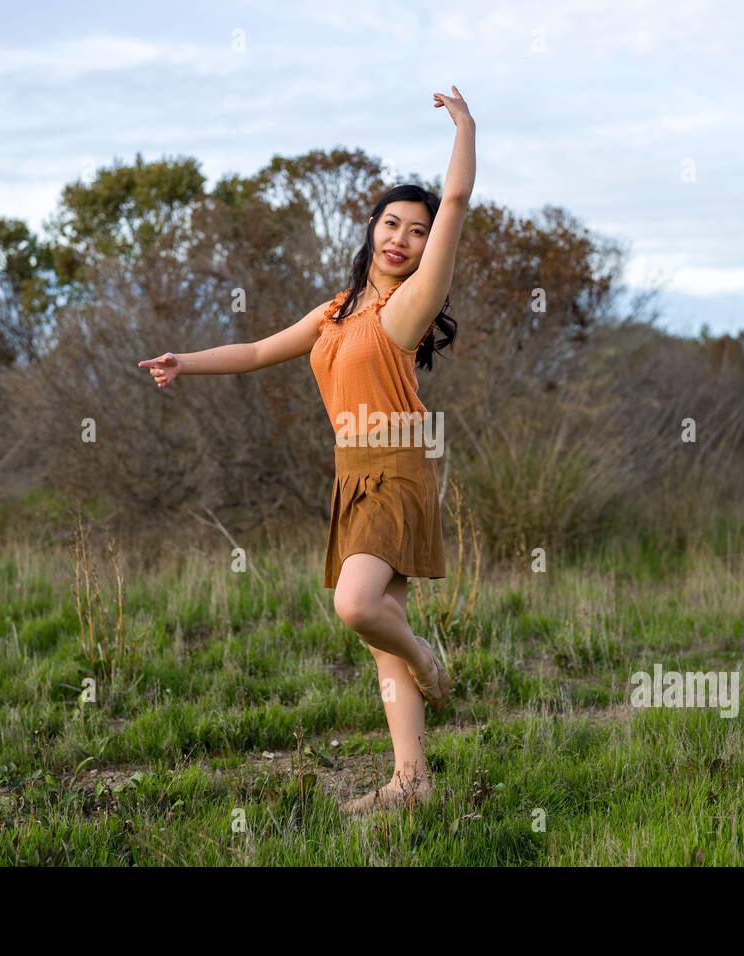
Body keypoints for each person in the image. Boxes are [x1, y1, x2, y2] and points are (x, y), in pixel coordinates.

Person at [139, 86, 476, 814]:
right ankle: (411, 782)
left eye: (415, 232)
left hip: (398, 462)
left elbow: (454, 203)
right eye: (391, 224)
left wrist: (465, 130)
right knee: (380, 629)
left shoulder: (405, 306)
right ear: (371, 229)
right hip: (351, 470)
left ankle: (430, 664)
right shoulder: (335, 311)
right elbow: (260, 348)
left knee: (359, 608)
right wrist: (185, 361)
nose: (402, 239)